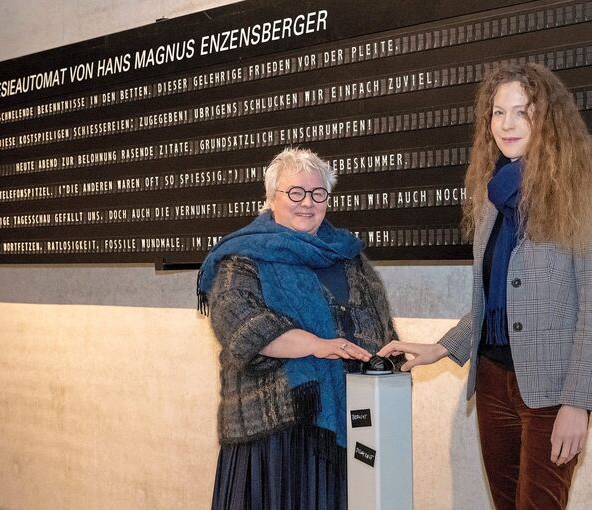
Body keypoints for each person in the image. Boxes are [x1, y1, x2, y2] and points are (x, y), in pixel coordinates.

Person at [379, 61, 592, 509]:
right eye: (498, 112)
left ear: (548, 118)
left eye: (522, 111)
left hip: (551, 392)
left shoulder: (581, 193)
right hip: (492, 381)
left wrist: (578, 403)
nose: (507, 124)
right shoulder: (494, 195)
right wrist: (440, 347)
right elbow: (496, 298)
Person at [197, 147, 404, 510]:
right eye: (295, 192)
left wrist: (388, 360)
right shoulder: (241, 258)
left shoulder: (348, 257)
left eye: (317, 193)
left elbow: (379, 327)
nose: (307, 202)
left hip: (343, 428)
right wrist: (316, 344)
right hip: (274, 437)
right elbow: (240, 324)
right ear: (270, 197)